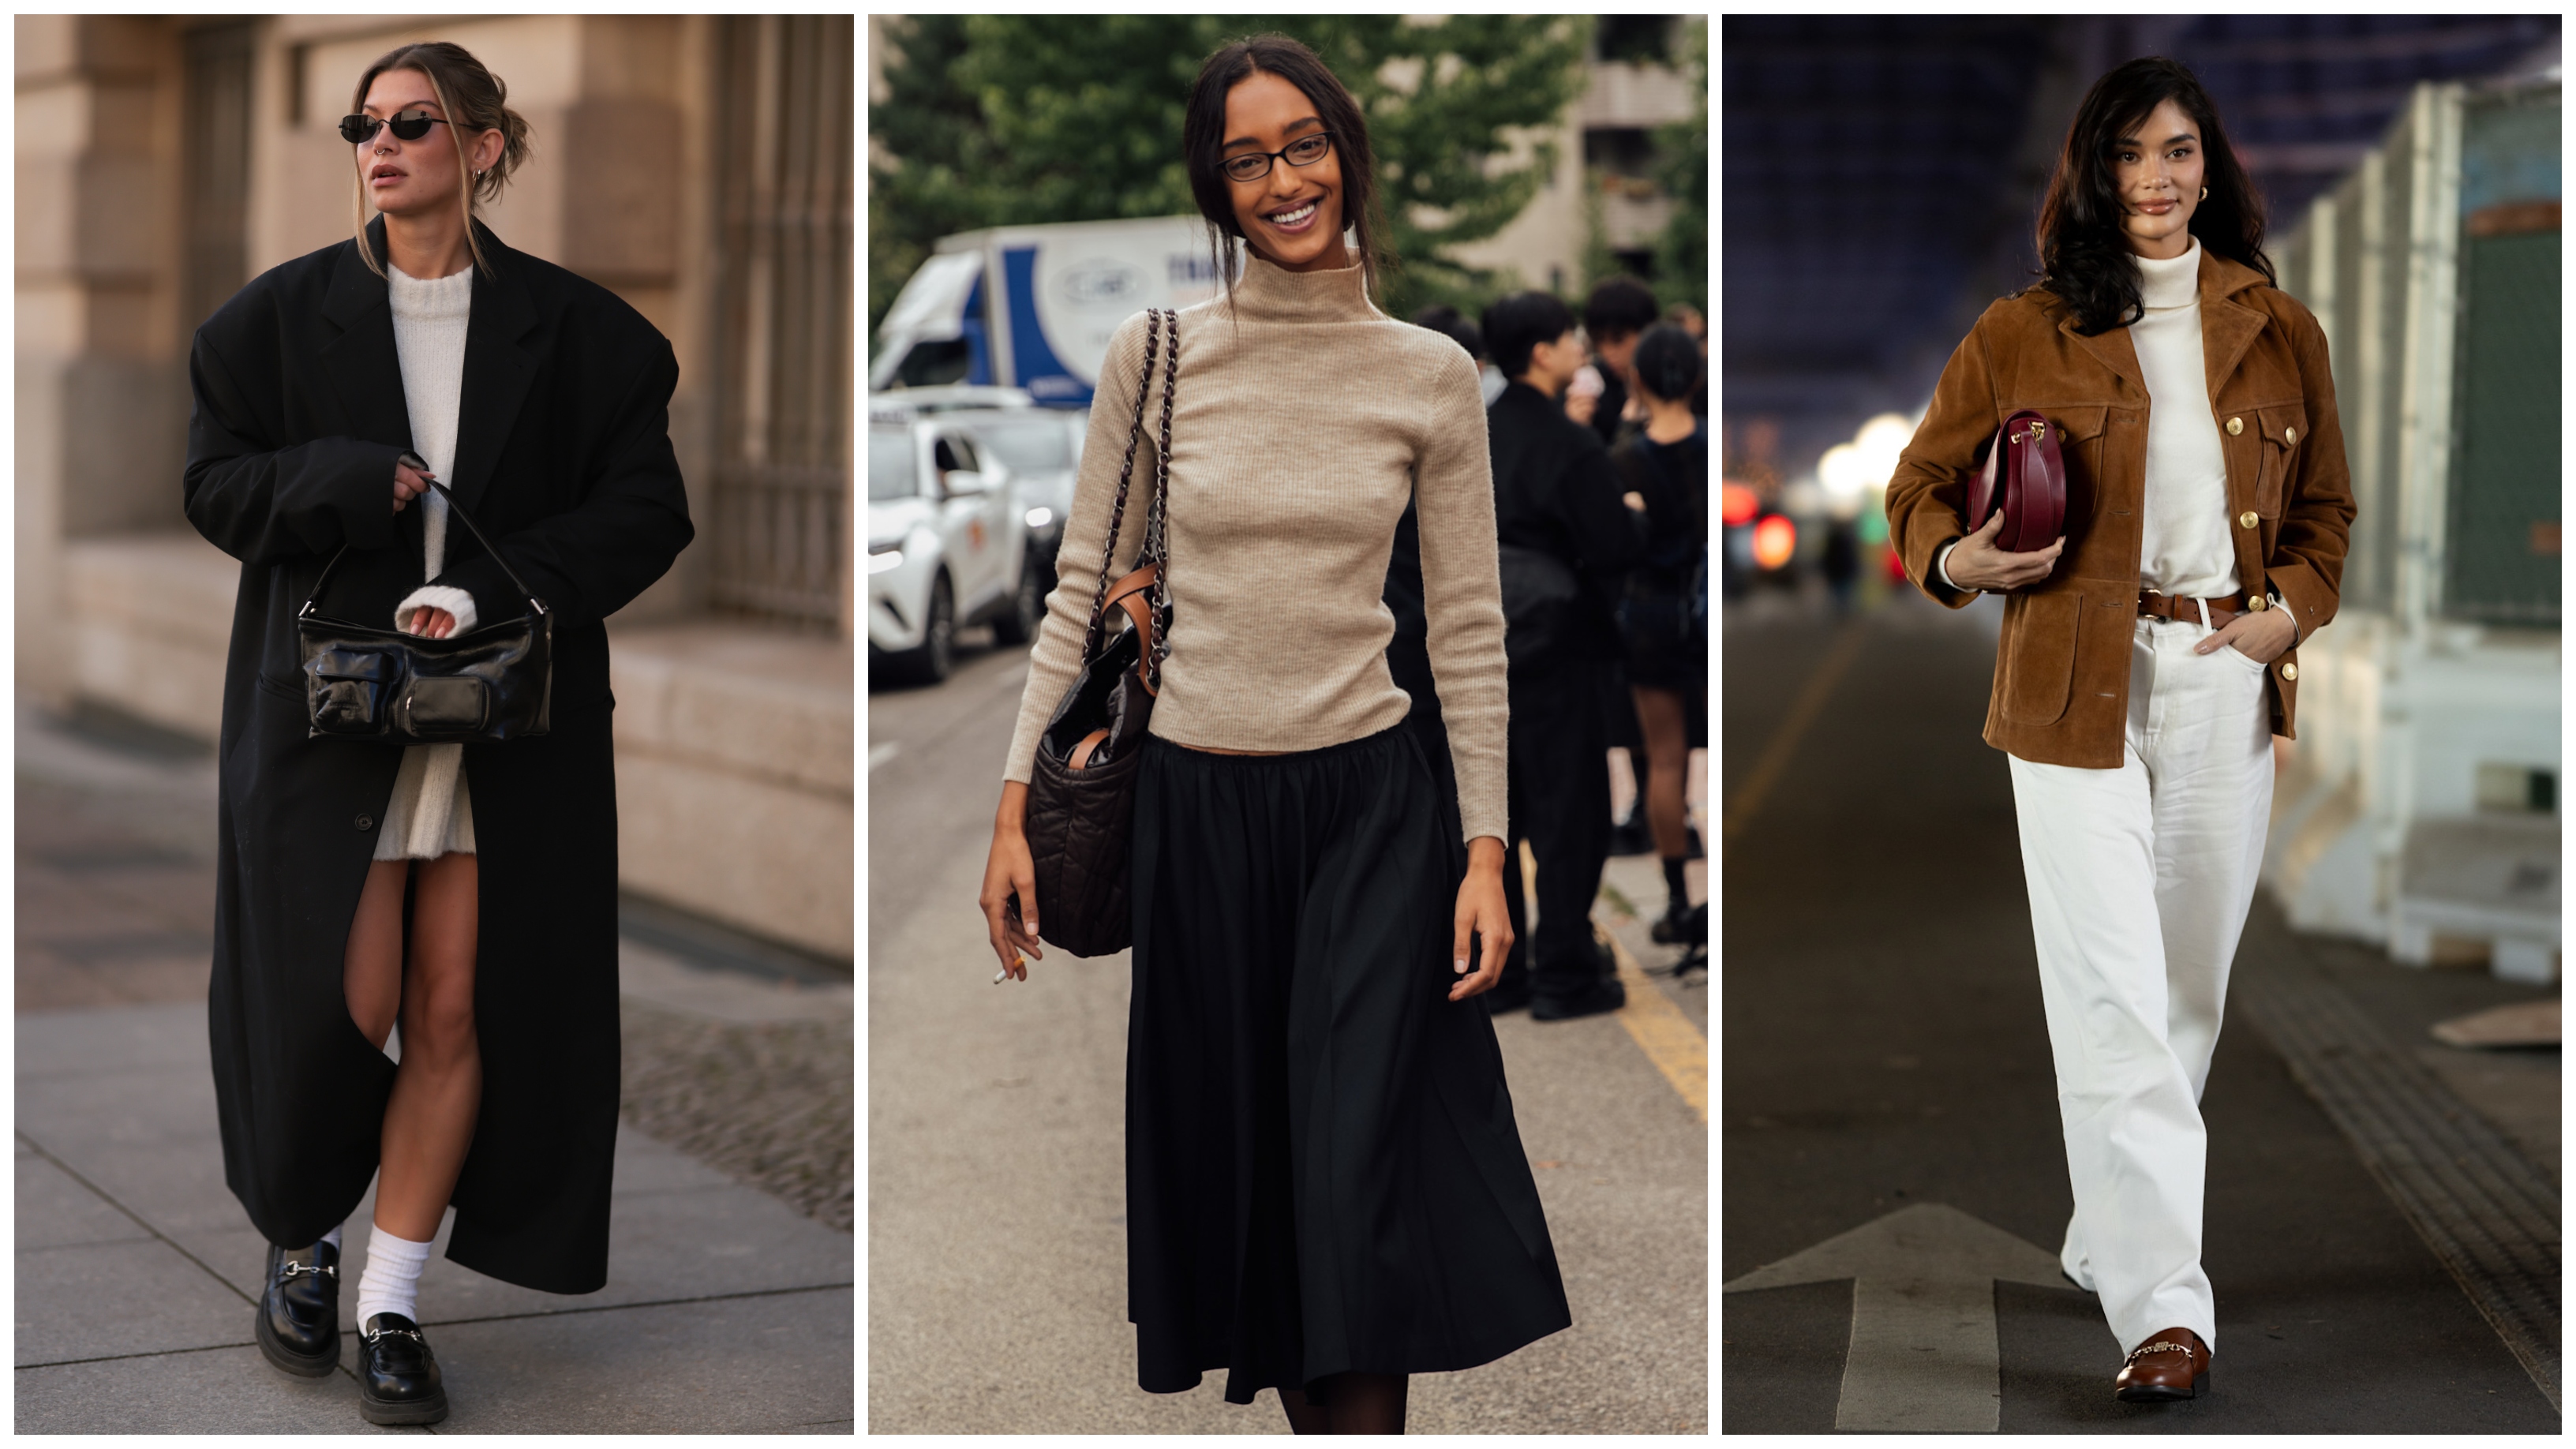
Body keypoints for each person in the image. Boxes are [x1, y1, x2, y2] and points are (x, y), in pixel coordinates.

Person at [975, 34, 1569, 1434]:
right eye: (1245, 158)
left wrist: (1484, 850)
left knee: (1353, 1174)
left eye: (1300, 143)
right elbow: (1079, 593)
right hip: (1197, 813)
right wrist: (1012, 809)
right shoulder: (1160, 356)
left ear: (1346, 153)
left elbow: (1467, 631)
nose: (1281, 178)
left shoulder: (1428, 375)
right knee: (1259, 1186)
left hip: (1371, 811)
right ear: (1214, 187)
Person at [185, 43, 694, 1427]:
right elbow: (213, 485)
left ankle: (389, 1295)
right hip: (329, 719)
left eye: (413, 122)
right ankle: (302, 1230)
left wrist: (486, 581)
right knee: (338, 1006)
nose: (380, 142)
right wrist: (343, 481)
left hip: (503, 724)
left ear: (483, 144)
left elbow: (646, 512)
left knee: (460, 1002)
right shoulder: (273, 323)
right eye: (365, 123)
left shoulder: (587, 335)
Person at [1883, 57, 2353, 1403]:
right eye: (2127, 156)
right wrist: (1956, 564)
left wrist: (2288, 615)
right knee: (2105, 996)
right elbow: (1916, 490)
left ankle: (2109, 1225)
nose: (2152, 180)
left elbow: (2322, 511)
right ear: (2088, 174)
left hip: (2221, 667)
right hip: (2067, 684)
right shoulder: (2018, 330)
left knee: (2180, 992)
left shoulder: (2276, 325)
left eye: (2175, 153)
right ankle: (2164, 1306)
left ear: (2209, 168)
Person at [1479, 290, 1644, 1019]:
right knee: (1569, 810)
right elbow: (1610, 545)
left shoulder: (1473, 432)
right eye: (1569, 338)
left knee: (1495, 810)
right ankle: (1565, 973)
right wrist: (1630, 520)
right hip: (1559, 642)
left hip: (1479, 644)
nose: (1580, 347)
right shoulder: (1568, 442)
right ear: (1542, 352)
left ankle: (1502, 971)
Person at [1609, 324, 1707, 953]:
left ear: (1637, 379)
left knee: (1665, 762)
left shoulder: (1624, 458)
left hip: (1649, 618)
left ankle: (1678, 902)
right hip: (1704, 617)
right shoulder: (1711, 451)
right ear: (1697, 378)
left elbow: (1621, 547)